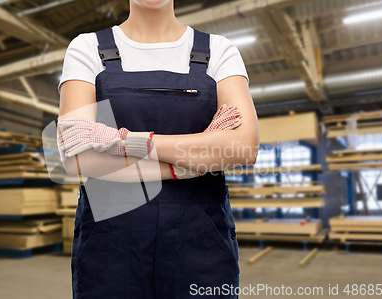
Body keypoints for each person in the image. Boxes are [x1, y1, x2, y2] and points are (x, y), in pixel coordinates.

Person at [57, 0, 259, 298]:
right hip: (110, 246)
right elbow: (76, 159)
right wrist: (190, 162)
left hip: (201, 243)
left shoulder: (220, 50)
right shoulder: (86, 48)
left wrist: (126, 141)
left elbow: (243, 148)